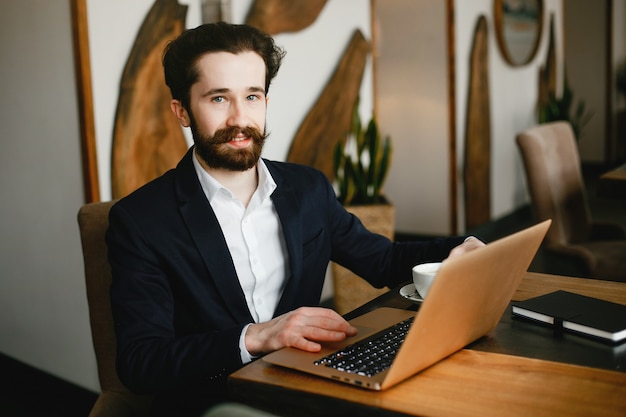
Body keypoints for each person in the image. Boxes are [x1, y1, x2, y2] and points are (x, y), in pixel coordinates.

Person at [106, 21, 484, 417]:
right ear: (182, 111)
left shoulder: (308, 189)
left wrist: (461, 250)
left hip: (308, 387)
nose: (240, 118)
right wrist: (254, 337)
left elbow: (383, 261)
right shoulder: (140, 221)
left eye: (252, 96)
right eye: (219, 99)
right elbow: (140, 363)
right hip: (216, 403)